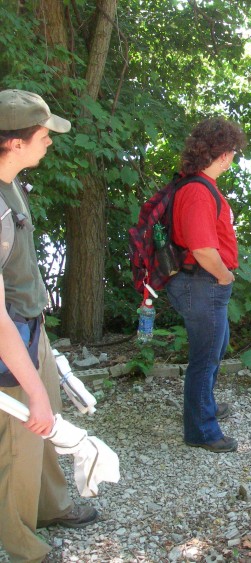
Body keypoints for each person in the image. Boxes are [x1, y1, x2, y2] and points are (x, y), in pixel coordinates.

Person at [0, 89, 97, 563]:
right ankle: (23, 547)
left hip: (30, 326)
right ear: (15, 143)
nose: (50, 142)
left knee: (48, 422)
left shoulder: (13, 182)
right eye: (43, 135)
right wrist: (31, 388)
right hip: (7, 338)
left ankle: (51, 506)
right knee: (19, 439)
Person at [166, 117, 247, 453]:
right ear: (225, 154)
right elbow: (201, 249)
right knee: (205, 358)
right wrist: (224, 274)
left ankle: (205, 407)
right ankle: (201, 430)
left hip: (205, 285)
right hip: (203, 284)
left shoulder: (198, 184)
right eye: (233, 152)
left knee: (215, 349)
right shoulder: (198, 191)